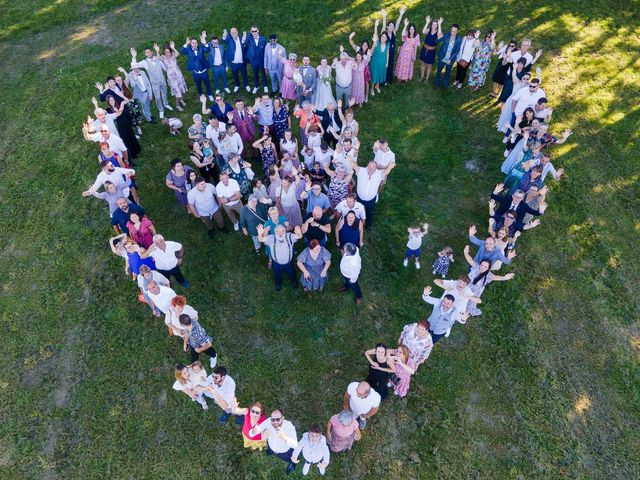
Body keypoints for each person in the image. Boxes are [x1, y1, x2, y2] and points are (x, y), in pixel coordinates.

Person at [463, 247, 515, 316]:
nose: (483, 267)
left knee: (466, 310)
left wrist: (505, 278)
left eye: (485, 267)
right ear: (480, 264)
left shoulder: (488, 275)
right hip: (465, 288)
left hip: (473, 295)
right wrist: (465, 253)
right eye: (482, 265)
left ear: (488, 269)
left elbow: (496, 277)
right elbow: (470, 260)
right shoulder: (476, 267)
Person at [248, 409, 299, 474]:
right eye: (273, 420)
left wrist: (285, 438)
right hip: (271, 445)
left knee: (291, 459)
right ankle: (271, 451)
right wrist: (253, 431)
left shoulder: (289, 426)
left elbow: (296, 445)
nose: (275, 422)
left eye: (278, 419)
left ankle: (292, 464)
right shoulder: (269, 421)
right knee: (271, 449)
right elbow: (251, 433)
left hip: (284, 452)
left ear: (283, 418)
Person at [350, 158, 395, 229]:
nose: (371, 169)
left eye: (373, 167)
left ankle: (368, 224)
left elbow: (386, 172)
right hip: (359, 197)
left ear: (376, 168)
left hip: (370, 199)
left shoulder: (379, 174)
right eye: (370, 166)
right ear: (367, 166)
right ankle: (356, 223)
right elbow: (354, 166)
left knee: (369, 212)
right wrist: (350, 159)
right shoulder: (361, 171)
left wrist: (389, 167)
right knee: (357, 210)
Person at [257, 223, 303, 292]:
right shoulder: (271, 238)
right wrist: (260, 234)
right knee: (277, 274)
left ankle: (294, 282)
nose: (280, 233)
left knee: (291, 273)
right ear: (274, 232)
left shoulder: (289, 236)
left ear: (285, 231)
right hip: (276, 263)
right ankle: (278, 284)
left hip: (288, 262)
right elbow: (260, 239)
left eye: (282, 231)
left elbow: (299, 236)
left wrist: (299, 233)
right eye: (277, 231)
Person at [131, 46, 171, 119]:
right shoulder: (144, 62)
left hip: (162, 80)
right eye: (146, 53)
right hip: (154, 83)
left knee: (164, 93)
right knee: (158, 97)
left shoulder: (157, 58)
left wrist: (168, 76)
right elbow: (134, 65)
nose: (148, 53)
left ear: (152, 52)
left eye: (149, 52)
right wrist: (134, 57)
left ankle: (166, 103)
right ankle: (161, 110)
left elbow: (164, 67)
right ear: (145, 54)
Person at [157, 42, 187, 109]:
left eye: (168, 52)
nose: (167, 54)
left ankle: (181, 100)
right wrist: (157, 51)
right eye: (166, 52)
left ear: (171, 51)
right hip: (171, 77)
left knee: (181, 88)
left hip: (178, 74)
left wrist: (173, 48)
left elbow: (177, 54)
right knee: (177, 92)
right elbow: (158, 58)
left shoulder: (173, 54)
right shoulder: (163, 57)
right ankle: (177, 105)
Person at [433, 22, 461, 89]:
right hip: (442, 57)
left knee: (447, 73)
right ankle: (436, 84)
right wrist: (438, 37)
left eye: (454, 31)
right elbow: (436, 42)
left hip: (450, 59)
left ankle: (444, 85)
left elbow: (457, 51)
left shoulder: (459, 40)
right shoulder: (446, 35)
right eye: (452, 31)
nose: (452, 33)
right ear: (450, 30)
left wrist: (450, 59)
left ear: (457, 31)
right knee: (439, 71)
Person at [222, 27, 249, 93]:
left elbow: (246, 43)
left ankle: (246, 85)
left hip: (241, 61)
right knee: (235, 74)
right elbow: (224, 39)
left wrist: (245, 36)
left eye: (234, 32)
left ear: (237, 32)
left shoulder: (241, 38)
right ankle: (237, 85)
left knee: (244, 74)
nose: (233, 34)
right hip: (234, 62)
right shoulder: (229, 39)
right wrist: (224, 34)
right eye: (232, 33)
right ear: (230, 34)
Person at [419, 16, 443, 82]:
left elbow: (440, 36)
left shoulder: (438, 32)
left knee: (429, 65)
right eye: (433, 24)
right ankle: (422, 76)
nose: (434, 26)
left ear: (437, 26)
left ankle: (427, 78)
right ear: (431, 24)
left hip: (431, 51)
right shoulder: (428, 30)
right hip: (424, 49)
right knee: (422, 63)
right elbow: (423, 31)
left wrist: (440, 24)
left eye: (436, 25)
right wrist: (427, 22)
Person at [369, 19, 390, 95]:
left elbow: (387, 54)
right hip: (375, 62)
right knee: (375, 75)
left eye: (385, 37)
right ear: (380, 37)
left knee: (380, 74)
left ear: (386, 38)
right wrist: (376, 26)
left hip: (383, 62)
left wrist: (387, 63)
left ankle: (377, 86)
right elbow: (375, 34)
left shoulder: (388, 45)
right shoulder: (377, 42)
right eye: (382, 36)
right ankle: (371, 88)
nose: (383, 38)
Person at [245, 25, 268, 94]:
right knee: (255, 73)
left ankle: (265, 86)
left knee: (263, 73)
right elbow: (244, 44)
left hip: (261, 59)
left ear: (258, 31)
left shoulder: (263, 39)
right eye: (252, 31)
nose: (254, 33)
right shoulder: (249, 39)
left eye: (255, 31)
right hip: (253, 60)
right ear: (251, 32)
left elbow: (266, 50)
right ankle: (256, 86)